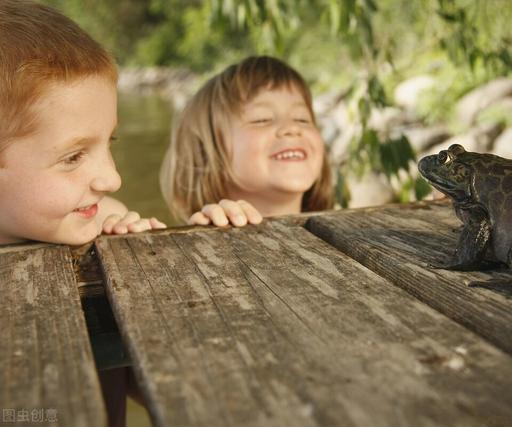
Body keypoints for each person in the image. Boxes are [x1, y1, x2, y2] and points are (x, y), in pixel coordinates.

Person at [0, 1, 165, 426]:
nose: (111, 179)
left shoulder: (101, 216)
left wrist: (127, 235)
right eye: (74, 157)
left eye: (109, 142)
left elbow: (152, 385)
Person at [160, 55, 334, 227]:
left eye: (302, 119)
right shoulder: (206, 235)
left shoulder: (337, 234)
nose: (292, 128)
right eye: (262, 119)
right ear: (206, 153)